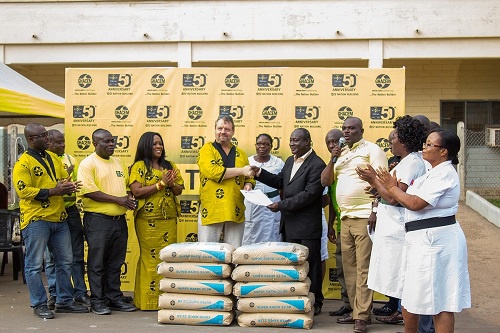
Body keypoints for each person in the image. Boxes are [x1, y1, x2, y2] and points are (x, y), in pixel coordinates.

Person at [376, 129, 471, 333]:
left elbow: (415, 203)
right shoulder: (431, 171)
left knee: (440, 301)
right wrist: (391, 185)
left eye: (429, 145)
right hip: (420, 241)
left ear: (444, 151)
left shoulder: (445, 173)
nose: (424, 148)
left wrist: (392, 187)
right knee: (410, 297)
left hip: (436, 242)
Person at [356, 116, 427, 325]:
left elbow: (394, 198)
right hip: (393, 228)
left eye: (393, 138)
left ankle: (412, 326)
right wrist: (377, 187)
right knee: (399, 279)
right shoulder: (405, 162)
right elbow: (389, 191)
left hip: (399, 229)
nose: (390, 142)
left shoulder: (412, 162)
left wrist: (373, 180)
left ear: (403, 140)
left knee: (403, 279)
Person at [13, 123, 88, 319]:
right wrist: (55, 190)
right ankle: (39, 304)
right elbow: (23, 191)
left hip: (59, 218)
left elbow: (62, 180)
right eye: (42, 136)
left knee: (65, 262)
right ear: (31, 140)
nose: (47, 139)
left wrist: (68, 185)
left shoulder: (54, 158)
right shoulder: (23, 163)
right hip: (37, 220)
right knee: (34, 265)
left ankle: (64, 301)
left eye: (47, 135)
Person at [321, 117, 387, 333]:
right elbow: (326, 182)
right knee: (349, 270)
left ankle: (362, 316)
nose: (347, 132)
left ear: (361, 130)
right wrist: (332, 159)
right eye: (344, 129)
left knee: (363, 268)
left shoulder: (372, 149)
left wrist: (375, 209)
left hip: (365, 216)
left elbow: (382, 182)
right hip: (345, 218)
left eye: (351, 128)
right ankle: (356, 310)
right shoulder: (341, 153)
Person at [250, 128, 326, 316]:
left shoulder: (317, 164)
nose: (292, 144)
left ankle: (316, 300)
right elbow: (279, 181)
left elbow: (309, 195)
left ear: (308, 142)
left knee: (312, 264)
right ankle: (296, 298)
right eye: (291, 140)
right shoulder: (290, 161)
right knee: (293, 265)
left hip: (307, 225)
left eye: (296, 141)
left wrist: (281, 205)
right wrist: (259, 172)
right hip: (290, 224)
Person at [77, 128, 137, 315]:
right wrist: (118, 200)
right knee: (97, 264)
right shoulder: (88, 164)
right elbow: (89, 192)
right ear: (95, 144)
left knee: (115, 262)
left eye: (113, 141)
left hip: (119, 220)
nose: (111, 144)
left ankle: (114, 297)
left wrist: (128, 198)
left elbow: (127, 187)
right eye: (106, 141)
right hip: (98, 221)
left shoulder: (118, 162)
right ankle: (97, 300)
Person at [129, 132, 184, 310]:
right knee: (150, 258)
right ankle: (147, 302)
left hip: (168, 219)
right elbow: (137, 192)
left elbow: (178, 191)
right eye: (154, 144)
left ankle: (166, 301)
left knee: (166, 259)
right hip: (147, 220)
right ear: (146, 146)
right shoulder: (139, 166)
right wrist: (161, 183)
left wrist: (171, 183)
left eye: (160, 143)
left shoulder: (170, 166)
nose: (158, 147)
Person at [44, 129, 90, 310]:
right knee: (52, 259)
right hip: (51, 213)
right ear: (48, 143)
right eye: (58, 143)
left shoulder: (71, 160)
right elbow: (43, 190)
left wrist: (70, 186)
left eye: (63, 142)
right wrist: (59, 186)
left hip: (70, 212)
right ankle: (55, 295)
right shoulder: (42, 162)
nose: (63, 145)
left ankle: (80, 293)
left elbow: (79, 185)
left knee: (77, 255)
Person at [197, 115, 255, 248]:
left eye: (227, 129)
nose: (223, 131)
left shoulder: (241, 153)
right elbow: (213, 172)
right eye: (220, 128)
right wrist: (241, 171)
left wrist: (248, 184)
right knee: (207, 253)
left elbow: (249, 176)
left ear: (233, 131)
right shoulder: (206, 149)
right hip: (212, 210)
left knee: (234, 254)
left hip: (235, 210)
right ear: (215, 130)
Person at [323, 128, 352, 317]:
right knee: (341, 266)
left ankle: (359, 306)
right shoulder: (333, 164)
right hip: (340, 224)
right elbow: (332, 196)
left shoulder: (350, 161)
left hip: (355, 222)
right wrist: (331, 224)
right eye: (329, 143)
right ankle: (347, 303)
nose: (332, 146)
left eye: (335, 142)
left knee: (354, 269)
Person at [242, 133, 284, 245]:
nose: (262, 147)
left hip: (272, 202)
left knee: (273, 234)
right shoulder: (248, 161)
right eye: (259, 144)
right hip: (253, 203)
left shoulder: (278, 163)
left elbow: (282, 183)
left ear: (271, 146)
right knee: (250, 233)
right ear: (255, 145)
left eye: (266, 144)